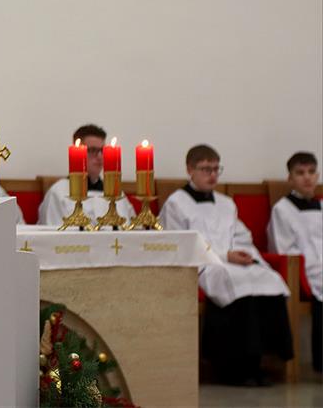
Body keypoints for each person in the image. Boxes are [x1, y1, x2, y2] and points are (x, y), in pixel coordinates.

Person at [161, 144, 292, 385]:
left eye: (216, 169)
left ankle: (262, 362)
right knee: (235, 281)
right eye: (206, 169)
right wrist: (224, 255)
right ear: (190, 169)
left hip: (231, 260)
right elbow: (178, 244)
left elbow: (242, 236)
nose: (212, 175)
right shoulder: (176, 203)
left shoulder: (226, 203)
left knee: (269, 279)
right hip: (201, 265)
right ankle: (233, 369)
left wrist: (246, 255)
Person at [267, 151, 321, 373]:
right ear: (290, 178)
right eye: (300, 173)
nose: (307, 177)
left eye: (311, 172)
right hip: (304, 269)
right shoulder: (282, 209)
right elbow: (282, 248)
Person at [37, 124, 136, 226]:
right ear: (78, 152)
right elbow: (54, 231)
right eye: (92, 150)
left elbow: (133, 229)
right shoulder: (58, 192)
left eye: (102, 150)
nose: (100, 156)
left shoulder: (117, 193)